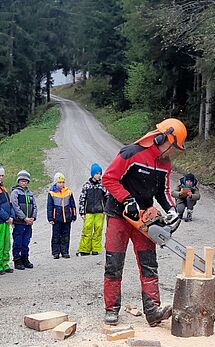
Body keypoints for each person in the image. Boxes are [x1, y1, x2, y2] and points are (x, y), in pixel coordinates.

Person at [101, 118, 185, 326]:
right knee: (114, 264)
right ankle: (111, 309)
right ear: (162, 137)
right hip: (119, 215)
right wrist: (127, 199)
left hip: (144, 218)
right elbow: (109, 178)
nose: (172, 152)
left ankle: (153, 310)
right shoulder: (131, 153)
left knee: (149, 264)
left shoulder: (165, 163)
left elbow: (163, 191)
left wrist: (172, 210)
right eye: (172, 147)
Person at [77, 163, 108, 256]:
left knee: (98, 230)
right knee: (87, 229)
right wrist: (82, 212)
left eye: (100, 173)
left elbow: (107, 198)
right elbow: (82, 199)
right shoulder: (86, 186)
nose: (99, 175)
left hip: (100, 212)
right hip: (89, 212)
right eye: (97, 173)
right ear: (92, 174)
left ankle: (96, 248)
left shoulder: (102, 186)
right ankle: (84, 249)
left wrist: (106, 210)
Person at [11, 170, 37, 269]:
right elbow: (15, 206)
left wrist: (33, 217)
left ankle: (25, 258)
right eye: (22, 181)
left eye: (25, 181)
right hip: (19, 222)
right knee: (18, 242)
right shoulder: (15, 192)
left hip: (28, 222)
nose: (23, 183)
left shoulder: (30, 193)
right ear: (18, 181)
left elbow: (34, 206)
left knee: (26, 242)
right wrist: (24, 218)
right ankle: (17, 260)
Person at [47, 172, 76, 259]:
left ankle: (65, 251)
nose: (61, 184)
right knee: (56, 236)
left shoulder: (68, 192)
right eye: (59, 182)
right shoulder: (52, 193)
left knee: (66, 235)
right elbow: (49, 207)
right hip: (57, 219)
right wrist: (50, 218)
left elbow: (72, 205)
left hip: (67, 218)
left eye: (63, 182)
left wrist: (73, 215)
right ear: (55, 183)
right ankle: (55, 252)